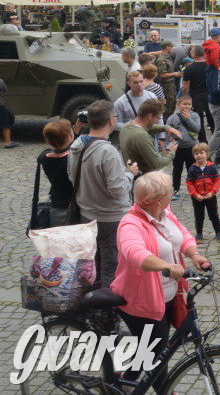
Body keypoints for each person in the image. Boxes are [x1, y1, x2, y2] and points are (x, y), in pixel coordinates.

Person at [110, 171, 207, 391]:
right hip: (141, 302)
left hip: (167, 296)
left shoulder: (164, 213)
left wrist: (193, 254)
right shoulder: (130, 224)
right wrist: (166, 266)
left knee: (149, 349)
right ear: (152, 200)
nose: (171, 195)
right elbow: (134, 253)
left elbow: (180, 234)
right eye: (168, 192)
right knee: (158, 359)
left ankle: (125, 382)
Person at [68, 100, 139, 286]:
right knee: (112, 265)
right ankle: (108, 310)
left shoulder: (76, 146)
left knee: (94, 263)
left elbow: (71, 177)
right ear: (110, 120)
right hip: (110, 218)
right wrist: (129, 174)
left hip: (86, 214)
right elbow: (117, 189)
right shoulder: (108, 152)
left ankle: (94, 301)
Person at [120, 98, 181, 174]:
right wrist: (172, 152)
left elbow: (147, 128)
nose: (158, 121)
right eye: (157, 118)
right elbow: (157, 165)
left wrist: (167, 128)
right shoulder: (142, 136)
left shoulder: (127, 126)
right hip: (143, 180)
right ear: (149, 116)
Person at [38, 119, 76, 227]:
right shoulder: (72, 159)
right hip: (70, 207)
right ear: (69, 138)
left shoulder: (44, 157)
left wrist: (75, 130)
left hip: (55, 205)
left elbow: (65, 149)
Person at [185, 143, 220, 244]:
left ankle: (218, 232)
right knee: (199, 216)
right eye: (196, 153)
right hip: (198, 198)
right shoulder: (192, 169)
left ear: (207, 154)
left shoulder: (212, 167)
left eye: (201, 153)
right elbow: (189, 183)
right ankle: (199, 234)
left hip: (210, 197)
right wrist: (195, 194)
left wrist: (212, 192)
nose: (198, 155)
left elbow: (217, 180)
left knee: (214, 215)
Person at [167, 96, 201, 200]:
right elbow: (168, 131)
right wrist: (168, 146)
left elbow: (197, 129)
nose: (187, 106)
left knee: (193, 169)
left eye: (189, 104)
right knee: (177, 169)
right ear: (179, 105)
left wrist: (188, 118)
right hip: (178, 148)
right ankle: (175, 188)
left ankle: (194, 188)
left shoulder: (195, 116)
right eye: (184, 104)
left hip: (191, 147)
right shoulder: (172, 117)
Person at [180, 45, 214, 143]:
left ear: (194, 54)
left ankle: (203, 141)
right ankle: (216, 140)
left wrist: (184, 98)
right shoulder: (209, 66)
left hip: (196, 96)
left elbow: (186, 86)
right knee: (211, 118)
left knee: (199, 120)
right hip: (209, 94)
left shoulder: (189, 69)